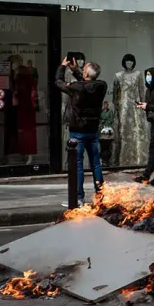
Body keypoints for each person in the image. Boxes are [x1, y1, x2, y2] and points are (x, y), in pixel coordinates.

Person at [55, 57, 107, 205]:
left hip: (78, 130)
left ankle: (79, 197)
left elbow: (58, 83)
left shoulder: (77, 88)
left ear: (86, 74)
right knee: (96, 164)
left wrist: (63, 66)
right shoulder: (101, 86)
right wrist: (76, 70)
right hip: (93, 130)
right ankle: (100, 197)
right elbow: (86, 84)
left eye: (84, 71)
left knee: (78, 165)